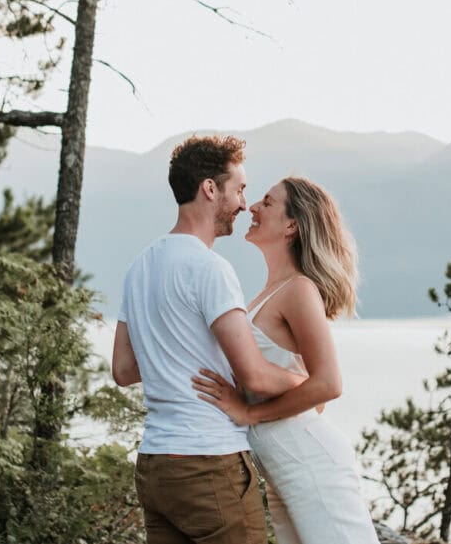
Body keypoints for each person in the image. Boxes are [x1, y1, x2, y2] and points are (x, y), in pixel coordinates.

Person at [112, 136, 305, 544]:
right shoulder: (210, 268)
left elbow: (124, 370)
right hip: (208, 462)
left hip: (156, 465)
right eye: (239, 189)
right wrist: (303, 383)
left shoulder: (139, 267)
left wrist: (174, 357)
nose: (243, 204)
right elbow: (254, 376)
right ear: (210, 188)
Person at [192, 176, 380, 544]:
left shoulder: (299, 290)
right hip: (282, 467)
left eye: (267, 202)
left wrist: (250, 413)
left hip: (310, 463)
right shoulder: (268, 294)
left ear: (292, 225)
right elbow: (310, 392)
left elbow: (328, 385)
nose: (253, 207)